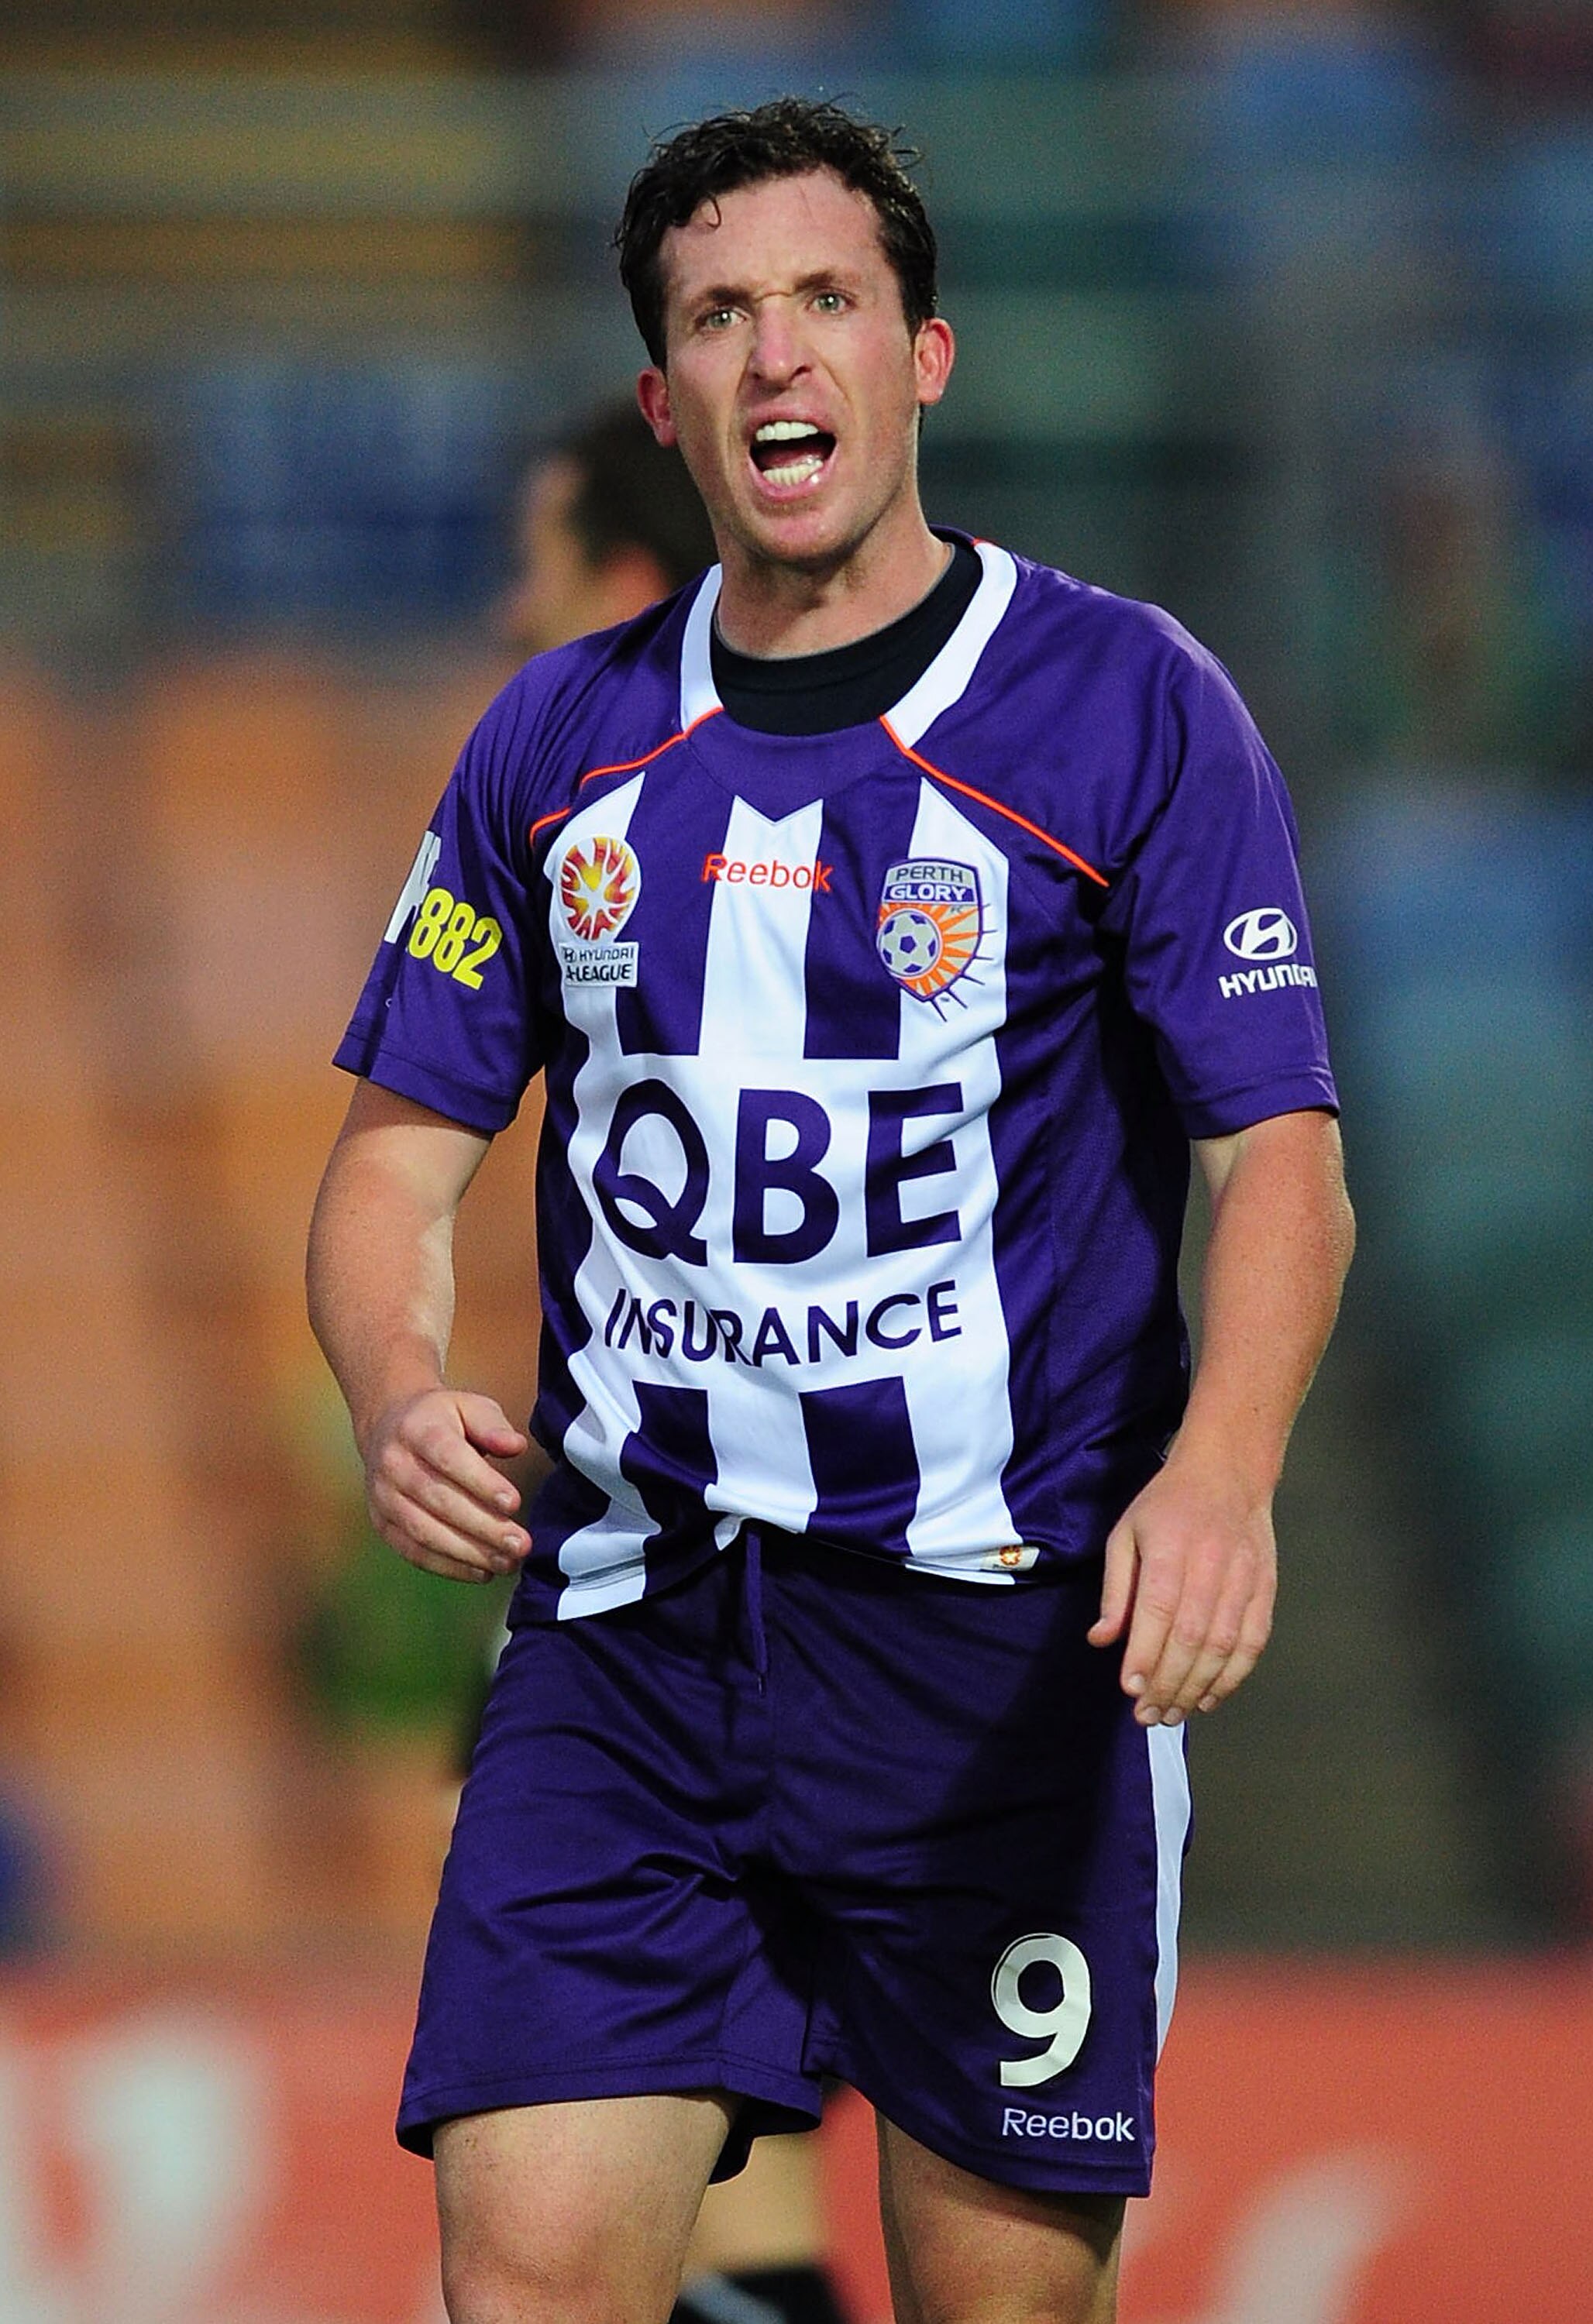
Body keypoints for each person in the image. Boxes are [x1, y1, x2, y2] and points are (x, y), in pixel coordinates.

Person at [308, 97, 1354, 2324]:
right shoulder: (552, 745)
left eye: (822, 303)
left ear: (924, 356)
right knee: (529, 2277)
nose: (776, 357)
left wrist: (1228, 1476)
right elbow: (396, 1158)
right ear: (661, 398)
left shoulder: (1128, 705)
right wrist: (395, 1382)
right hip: (633, 1638)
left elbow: (1282, 1153)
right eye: (718, 315)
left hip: (996, 1658)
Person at [473, 394, 850, 2324]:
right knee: (724, 2180)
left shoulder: (630, 816)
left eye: (527, 575)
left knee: (698, 2177)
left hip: (747, 1607)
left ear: (618, 584)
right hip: (716, 1596)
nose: (501, 616)